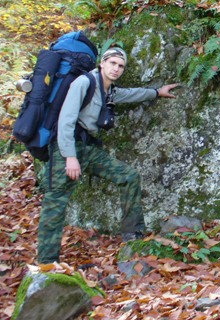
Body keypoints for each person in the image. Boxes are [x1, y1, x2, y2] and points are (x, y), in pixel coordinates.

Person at [37, 46, 179, 264]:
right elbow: (65, 120)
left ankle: (133, 236)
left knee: (128, 176)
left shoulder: (109, 90)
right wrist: (70, 157)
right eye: (112, 63)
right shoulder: (84, 83)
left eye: (120, 66)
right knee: (56, 201)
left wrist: (157, 92)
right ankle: (47, 263)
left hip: (88, 150)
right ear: (102, 63)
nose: (116, 69)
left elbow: (131, 94)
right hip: (65, 149)